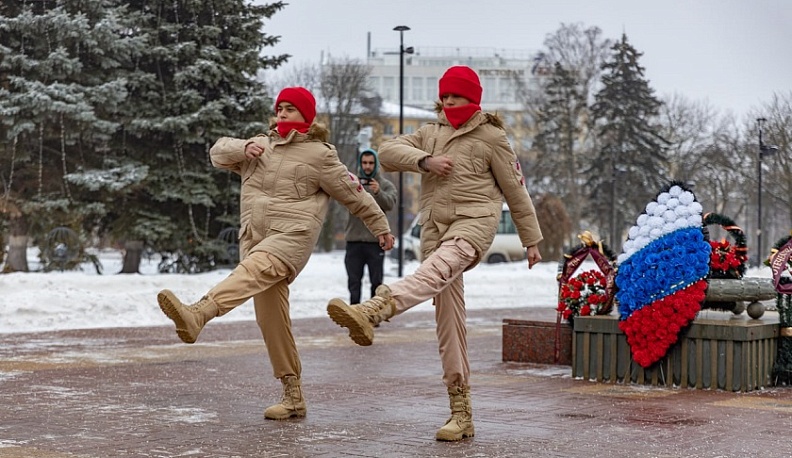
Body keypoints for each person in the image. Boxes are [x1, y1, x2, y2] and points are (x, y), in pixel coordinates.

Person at [326, 66, 543, 441]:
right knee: (449, 323)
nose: (449, 102)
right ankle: (461, 413)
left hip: (473, 223)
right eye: (445, 97)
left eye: (456, 96)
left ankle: (377, 308)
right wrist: (425, 161)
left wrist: (531, 239)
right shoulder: (429, 133)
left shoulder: (492, 137)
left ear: (473, 99)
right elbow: (387, 152)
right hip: (434, 230)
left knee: (438, 268)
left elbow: (516, 189)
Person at [157, 86, 395, 421]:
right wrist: (243, 148)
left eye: (290, 109)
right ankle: (292, 393)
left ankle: (199, 313)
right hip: (255, 238)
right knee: (271, 319)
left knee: (254, 270)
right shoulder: (260, 145)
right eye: (279, 108)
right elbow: (217, 153)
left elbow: (355, 194)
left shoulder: (321, 155)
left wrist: (381, 227)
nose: (282, 113)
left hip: (291, 237)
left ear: (306, 116)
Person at [344, 148, 397, 304]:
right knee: (354, 281)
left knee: (376, 282)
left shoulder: (386, 185)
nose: (367, 166)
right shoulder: (353, 183)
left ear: (376, 164)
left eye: (371, 163)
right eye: (364, 163)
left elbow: (390, 204)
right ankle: (354, 311)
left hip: (375, 242)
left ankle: (374, 312)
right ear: (360, 164)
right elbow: (343, 200)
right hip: (354, 240)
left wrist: (378, 192)